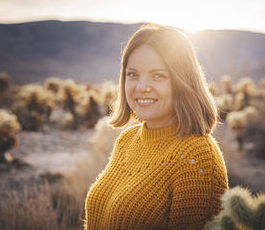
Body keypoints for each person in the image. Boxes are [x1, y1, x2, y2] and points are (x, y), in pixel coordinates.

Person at [84, 23, 228, 230]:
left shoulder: (196, 155)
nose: (142, 87)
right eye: (132, 74)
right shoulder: (128, 139)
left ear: (183, 81)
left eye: (158, 75)